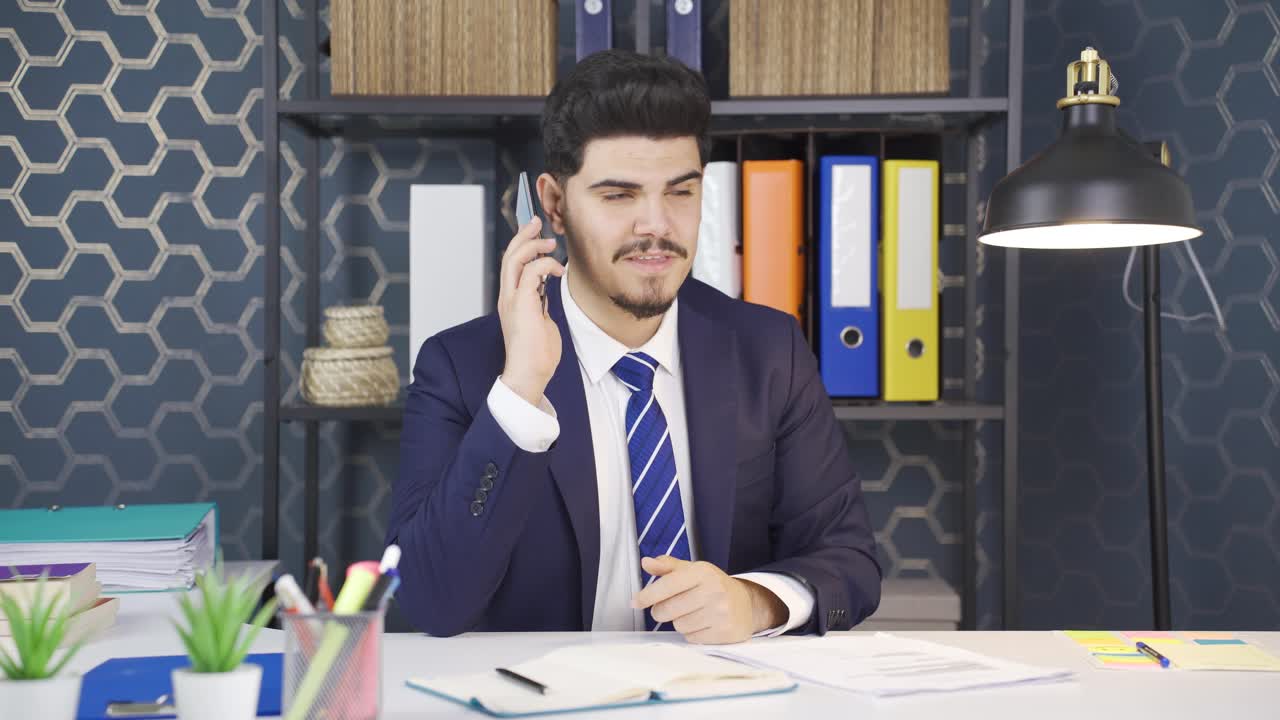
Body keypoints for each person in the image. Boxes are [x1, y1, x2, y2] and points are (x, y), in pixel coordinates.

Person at [386, 49, 881, 644]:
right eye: (619, 195)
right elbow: (431, 601)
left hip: (722, 694)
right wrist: (520, 393)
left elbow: (849, 559)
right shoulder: (460, 368)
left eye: (680, 192)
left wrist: (753, 602)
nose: (657, 227)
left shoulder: (769, 350)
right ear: (553, 205)